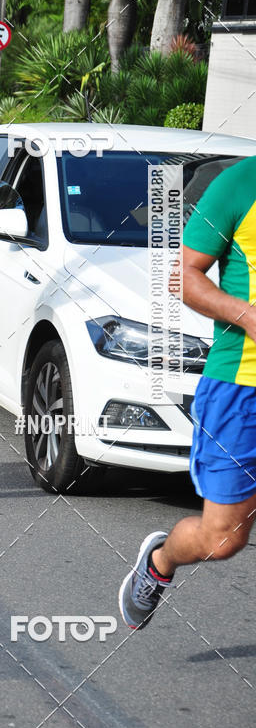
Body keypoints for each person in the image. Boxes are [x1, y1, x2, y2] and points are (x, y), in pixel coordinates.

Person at [119, 157, 256, 630]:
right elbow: (184, 276)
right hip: (242, 387)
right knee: (223, 538)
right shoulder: (241, 183)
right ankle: (159, 562)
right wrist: (248, 317)